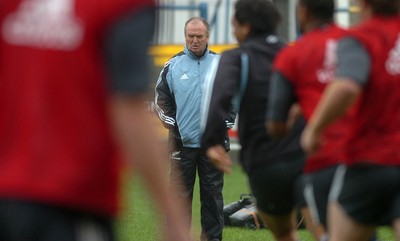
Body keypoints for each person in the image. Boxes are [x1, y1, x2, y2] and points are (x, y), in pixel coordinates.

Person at [0, 1, 192, 241]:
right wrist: (171, 212)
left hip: (7, 193)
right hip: (72, 200)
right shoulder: (121, 6)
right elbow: (128, 106)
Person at [201, 1, 305, 241]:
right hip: (305, 157)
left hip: (265, 161)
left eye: (234, 24)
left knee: (284, 232)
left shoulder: (237, 57)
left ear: (245, 26)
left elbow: (217, 98)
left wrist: (211, 142)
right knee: (322, 227)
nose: (233, 31)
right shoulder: (293, 53)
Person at [300, 0, 400, 241]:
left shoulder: (360, 38)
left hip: (367, 161)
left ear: (361, 4)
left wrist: (314, 129)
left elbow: (346, 86)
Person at [265, 1, 349, 240]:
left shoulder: (292, 54)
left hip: (324, 159)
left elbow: (275, 124)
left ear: (302, 11)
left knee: (330, 232)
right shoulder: (357, 42)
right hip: (366, 158)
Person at [154, 17, 232, 241]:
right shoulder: (172, 65)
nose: (195, 40)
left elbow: (233, 99)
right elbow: (161, 101)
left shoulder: (221, 64)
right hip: (181, 146)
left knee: (213, 201)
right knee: (178, 201)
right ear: (185, 37)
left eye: (199, 36)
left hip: (213, 147)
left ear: (207, 37)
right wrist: (175, 129)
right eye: (190, 36)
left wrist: (222, 127)